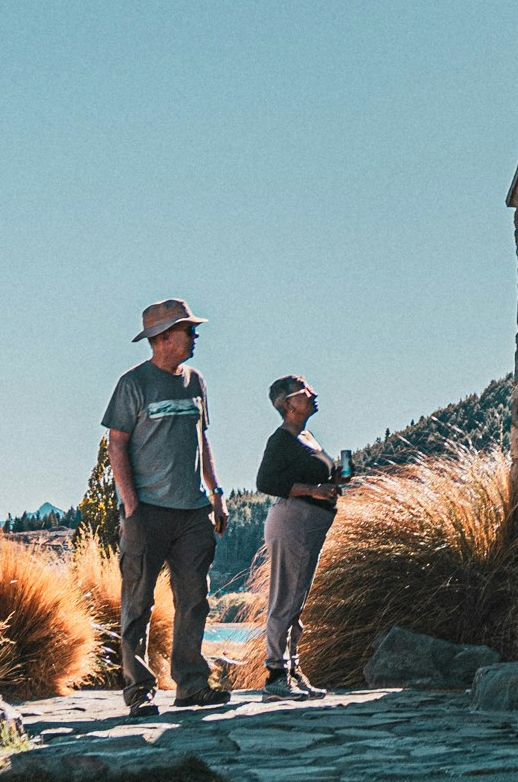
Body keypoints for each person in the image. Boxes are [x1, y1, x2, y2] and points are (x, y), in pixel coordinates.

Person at [101, 298, 228, 710]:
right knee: (137, 604)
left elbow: (202, 439)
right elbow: (116, 445)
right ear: (163, 338)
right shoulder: (132, 384)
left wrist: (216, 493)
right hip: (148, 512)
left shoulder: (196, 381)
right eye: (188, 330)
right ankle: (139, 691)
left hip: (193, 512)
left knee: (194, 599)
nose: (195, 336)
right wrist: (132, 507)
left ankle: (191, 685)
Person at [255, 375, 345, 696]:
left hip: (311, 524)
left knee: (298, 600)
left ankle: (292, 669)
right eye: (306, 391)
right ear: (288, 403)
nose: (314, 393)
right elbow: (265, 482)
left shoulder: (306, 437)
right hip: (293, 521)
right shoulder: (280, 440)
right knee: (285, 597)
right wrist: (314, 490)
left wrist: (333, 479)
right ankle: (276, 675)